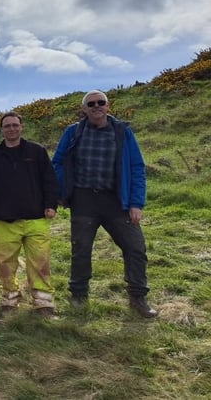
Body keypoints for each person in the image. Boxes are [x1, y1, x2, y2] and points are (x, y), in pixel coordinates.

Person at [52, 90, 157, 318]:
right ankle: (78, 296)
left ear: (108, 106)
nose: (96, 106)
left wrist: (136, 203)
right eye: (91, 104)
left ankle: (138, 297)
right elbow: (58, 163)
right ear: (84, 109)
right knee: (81, 251)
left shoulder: (123, 132)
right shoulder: (73, 132)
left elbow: (136, 167)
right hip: (84, 200)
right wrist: (60, 193)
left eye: (101, 102)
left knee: (136, 248)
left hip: (116, 201)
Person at [0, 112, 59, 318]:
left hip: (37, 217)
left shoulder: (36, 151)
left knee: (40, 261)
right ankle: (11, 297)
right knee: (5, 263)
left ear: (21, 127)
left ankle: (43, 302)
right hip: (5, 219)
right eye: (7, 126)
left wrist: (51, 204)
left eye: (15, 125)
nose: (11, 129)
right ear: (2, 130)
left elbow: (49, 179)